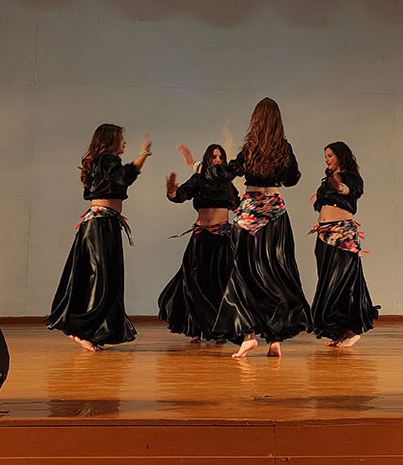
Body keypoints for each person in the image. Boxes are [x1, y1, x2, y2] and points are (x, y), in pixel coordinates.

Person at [205, 97, 311, 358]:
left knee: (244, 271)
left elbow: (228, 174)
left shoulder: (250, 148)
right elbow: (292, 179)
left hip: (251, 210)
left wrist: (203, 169)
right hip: (274, 211)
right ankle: (274, 339)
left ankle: (249, 335)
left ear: (256, 120)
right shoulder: (283, 148)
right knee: (275, 270)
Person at [46, 124, 152, 352]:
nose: (124, 142)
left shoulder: (102, 163)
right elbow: (123, 178)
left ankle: (86, 330)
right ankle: (81, 329)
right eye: (121, 138)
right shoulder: (107, 160)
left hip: (102, 224)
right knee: (102, 279)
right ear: (111, 140)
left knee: (100, 278)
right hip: (100, 225)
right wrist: (143, 155)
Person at [159, 143, 240, 342]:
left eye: (220, 157)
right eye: (214, 157)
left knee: (219, 283)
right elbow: (181, 195)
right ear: (207, 159)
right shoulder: (198, 180)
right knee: (194, 281)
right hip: (201, 237)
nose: (217, 160)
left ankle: (219, 329)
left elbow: (238, 205)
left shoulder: (227, 184)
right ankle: (195, 327)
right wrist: (171, 192)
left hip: (222, 238)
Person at [310, 141, 378, 348]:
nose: (326, 160)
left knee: (342, 282)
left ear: (340, 156)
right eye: (325, 156)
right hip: (324, 235)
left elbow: (350, 191)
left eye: (330, 155)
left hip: (342, 235)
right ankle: (341, 331)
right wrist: (319, 196)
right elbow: (318, 201)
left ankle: (355, 329)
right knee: (326, 280)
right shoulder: (327, 181)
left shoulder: (351, 177)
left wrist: (340, 187)